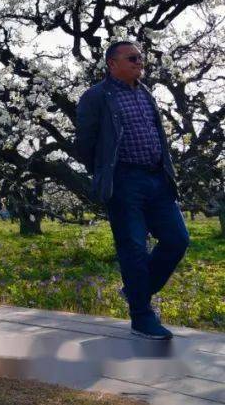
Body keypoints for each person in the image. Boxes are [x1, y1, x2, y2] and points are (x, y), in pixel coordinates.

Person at [76, 41, 188, 341]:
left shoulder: (145, 93)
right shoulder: (96, 97)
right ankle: (141, 316)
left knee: (178, 239)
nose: (141, 62)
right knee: (134, 248)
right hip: (124, 181)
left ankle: (136, 291)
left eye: (141, 57)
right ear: (112, 64)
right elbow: (84, 144)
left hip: (157, 178)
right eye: (133, 58)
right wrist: (105, 171)